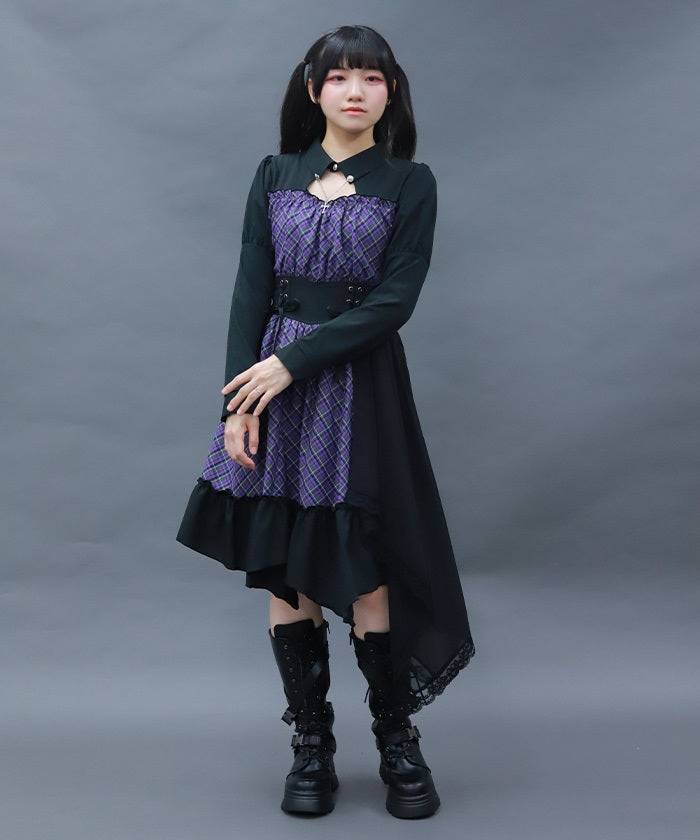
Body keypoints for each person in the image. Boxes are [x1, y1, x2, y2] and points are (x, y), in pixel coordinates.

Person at [177, 24, 476, 819]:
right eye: (339, 77)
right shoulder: (275, 173)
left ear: (390, 92)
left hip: (357, 384)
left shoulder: (410, 183)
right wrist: (239, 401)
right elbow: (250, 286)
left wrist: (292, 363)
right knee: (285, 561)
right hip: (270, 388)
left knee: (365, 561)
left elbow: (395, 301)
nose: (354, 91)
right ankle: (311, 743)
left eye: (371, 78)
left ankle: (396, 738)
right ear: (313, 90)